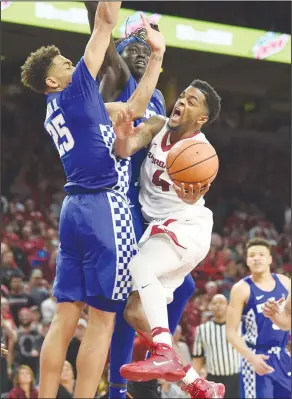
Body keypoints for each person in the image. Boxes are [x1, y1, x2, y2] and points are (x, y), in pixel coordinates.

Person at [20, 2, 166, 397]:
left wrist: (156, 58)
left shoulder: (61, 109)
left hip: (72, 212)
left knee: (64, 318)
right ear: (53, 81)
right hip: (106, 207)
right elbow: (104, 21)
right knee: (102, 320)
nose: (74, 65)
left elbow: (135, 108)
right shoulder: (79, 89)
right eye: (65, 64)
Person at [85, 3, 196, 398]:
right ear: (119, 47)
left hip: (142, 205)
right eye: (133, 48)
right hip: (112, 198)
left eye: (148, 53)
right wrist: (99, 12)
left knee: (184, 286)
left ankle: (153, 353)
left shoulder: (159, 103)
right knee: (120, 304)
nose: (140, 56)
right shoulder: (116, 79)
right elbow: (105, 44)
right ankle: (118, 389)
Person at [112, 80, 224, 398]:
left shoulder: (201, 151)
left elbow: (193, 198)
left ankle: (162, 353)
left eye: (192, 102)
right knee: (135, 312)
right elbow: (125, 149)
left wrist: (190, 197)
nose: (182, 102)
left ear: (202, 118)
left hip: (187, 226)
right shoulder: (158, 124)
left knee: (140, 266)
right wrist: (123, 137)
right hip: (162, 230)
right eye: (183, 97)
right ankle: (197, 384)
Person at [226, 237, 291, 398]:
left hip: (283, 356)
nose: (257, 258)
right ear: (247, 261)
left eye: (261, 254)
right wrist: (251, 357)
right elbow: (231, 332)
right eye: (252, 255)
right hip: (257, 357)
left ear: (270, 259)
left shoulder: (285, 282)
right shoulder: (241, 289)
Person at [192, 294, 241, 399]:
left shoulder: (239, 326)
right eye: (215, 303)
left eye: (222, 303)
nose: (218, 305)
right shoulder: (202, 329)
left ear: (228, 306)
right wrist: (194, 381)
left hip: (237, 379)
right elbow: (197, 358)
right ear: (210, 307)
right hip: (213, 379)